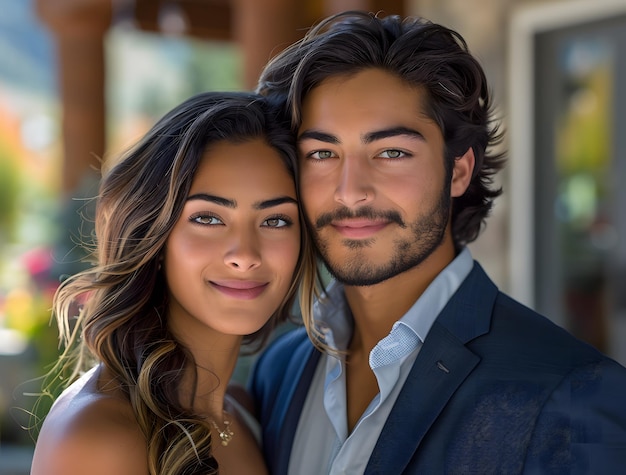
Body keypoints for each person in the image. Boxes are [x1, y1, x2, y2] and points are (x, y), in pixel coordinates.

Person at [248, 10, 626, 474]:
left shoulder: (573, 393)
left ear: (459, 171)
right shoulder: (278, 370)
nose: (349, 191)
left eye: (391, 152)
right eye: (322, 153)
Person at [29, 91, 316, 475]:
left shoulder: (241, 414)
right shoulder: (99, 435)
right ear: (155, 235)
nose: (245, 254)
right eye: (208, 219)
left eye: (276, 220)